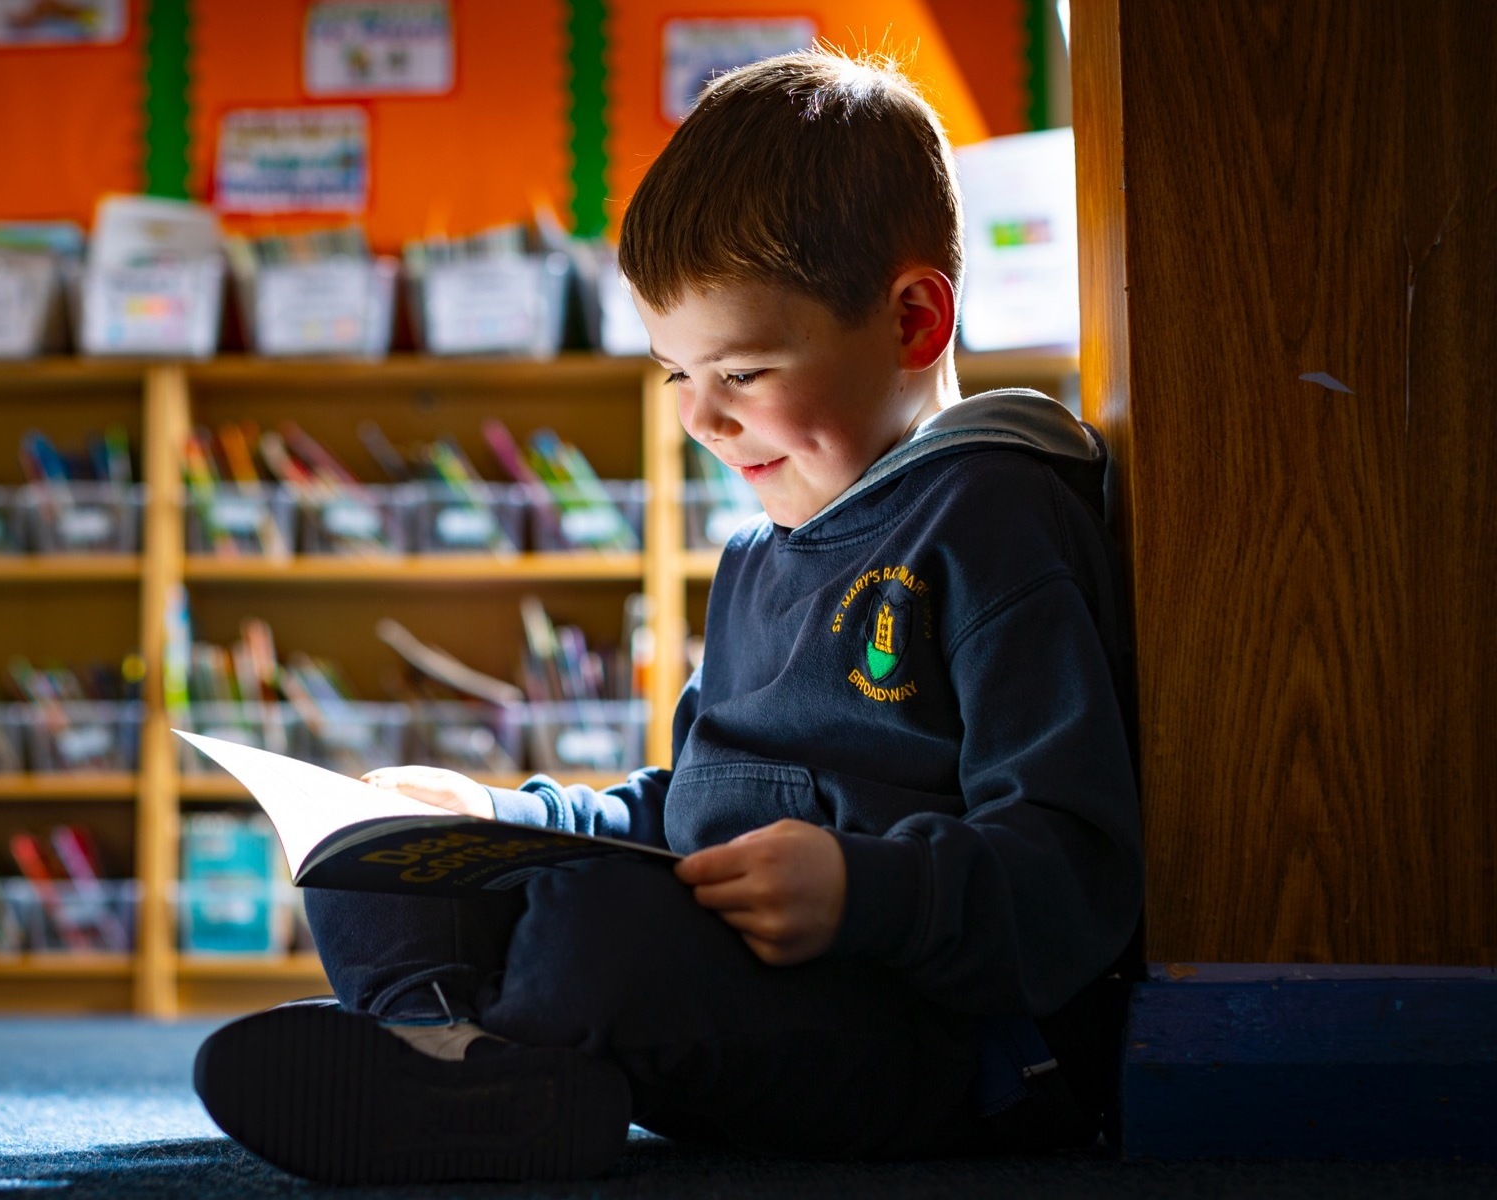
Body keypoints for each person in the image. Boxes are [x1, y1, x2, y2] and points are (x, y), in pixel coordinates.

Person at [193, 46, 1143, 1185]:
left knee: (596, 933)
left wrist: (859, 890)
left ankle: (488, 1072)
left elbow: (1071, 870)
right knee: (379, 863)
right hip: (746, 985)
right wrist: (495, 815)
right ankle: (453, 1054)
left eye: (737, 373)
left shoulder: (992, 519)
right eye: (672, 375)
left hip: (938, 1042)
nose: (698, 418)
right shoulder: (757, 555)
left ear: (911, 321)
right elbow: (693, 810)